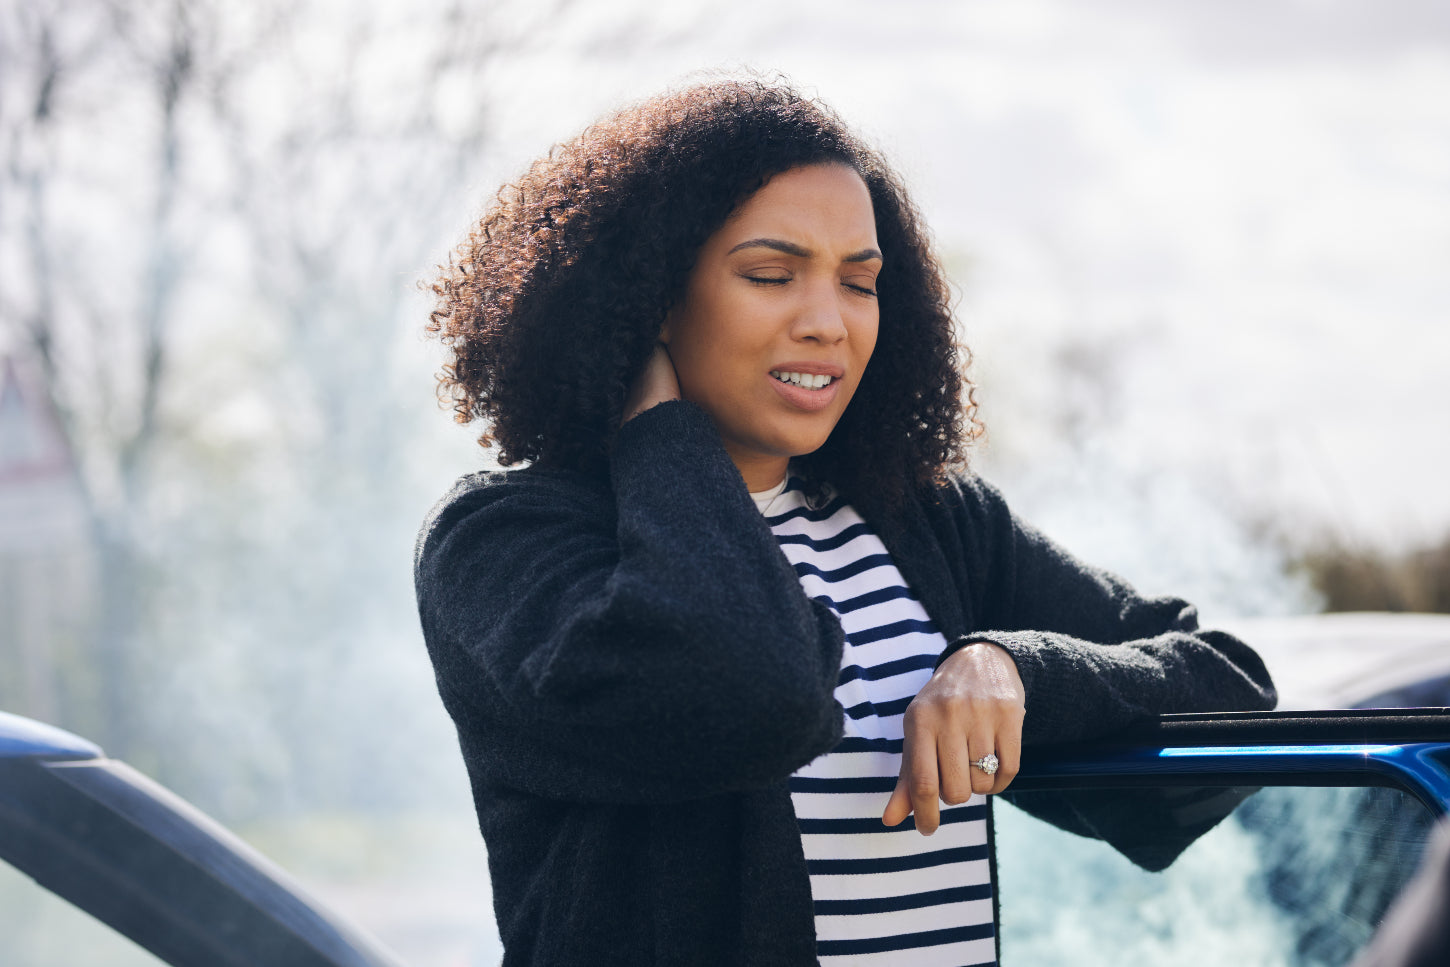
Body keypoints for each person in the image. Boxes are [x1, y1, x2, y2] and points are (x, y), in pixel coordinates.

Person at [414, 77, 1277, 967]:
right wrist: (662, 431)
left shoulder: (930, 522)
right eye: (771, 275)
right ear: (652, 297)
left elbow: (1232, 695)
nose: (829, 322)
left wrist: (1011, 667)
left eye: (860, 283)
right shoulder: (503, 540)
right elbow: (757, 695)